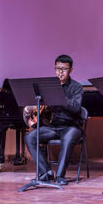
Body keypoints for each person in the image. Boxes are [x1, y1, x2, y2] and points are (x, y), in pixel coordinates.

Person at [24, 54, 84, 185]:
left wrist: (59, 95)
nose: (60, 72)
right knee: (30, 137)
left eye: (64, 69)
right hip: (53, 127)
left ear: (70, 70)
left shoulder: (77, 87)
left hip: (71, 126)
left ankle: (61, 176)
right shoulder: (48, 88)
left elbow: (75, 108)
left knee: (67, 139)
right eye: (58, 68)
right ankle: (46, 172)